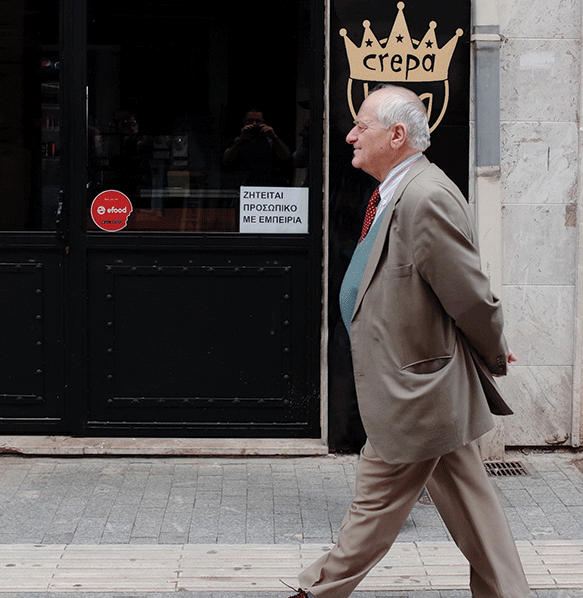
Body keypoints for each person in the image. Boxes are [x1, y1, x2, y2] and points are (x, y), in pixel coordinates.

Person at [288, 85, 528, 598]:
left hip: (415, 391)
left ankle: (315, 591)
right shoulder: (396, 190)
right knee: (476, 512)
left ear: (396, 135)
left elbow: (469, 294)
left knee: (373, 507)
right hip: (422, 384)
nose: (351, 136)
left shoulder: (425, 197)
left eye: (362, 126)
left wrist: (493, 350)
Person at [222, 109, 293, 186]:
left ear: (264, 122)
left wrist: (274, 137)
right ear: (244, 122)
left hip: (270, 185)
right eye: (250, 121)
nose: (254, 124)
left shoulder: (271, 139)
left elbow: (286, 157)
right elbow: (227, 160)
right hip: (242, 184)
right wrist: (240, 140)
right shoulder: (237, 139)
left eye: (258, 121)